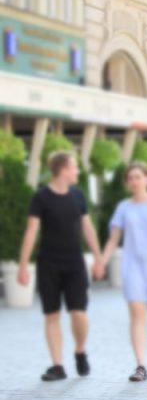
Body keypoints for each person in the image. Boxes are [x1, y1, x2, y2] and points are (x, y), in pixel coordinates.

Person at [17, 151, 103, 381]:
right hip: (49, 265)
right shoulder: (41, 197)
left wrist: (98, 258)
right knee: (52, 315)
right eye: (74, 167)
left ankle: (80, 351)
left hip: (75, 263)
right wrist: (23, 266)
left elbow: (88, 228)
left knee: (79, 313)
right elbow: (32, 231)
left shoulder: (77, 195)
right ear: (63, 169)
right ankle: (58, 366)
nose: (77, 171)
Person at [100, 163, 147, 381]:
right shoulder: (124, 207)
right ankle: (140, 365)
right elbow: (114, 239)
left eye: (138, 177)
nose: (134, 181)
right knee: (136, 313)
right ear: (127, 183)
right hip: (132, 267)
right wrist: (102, 262)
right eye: (130, 178)